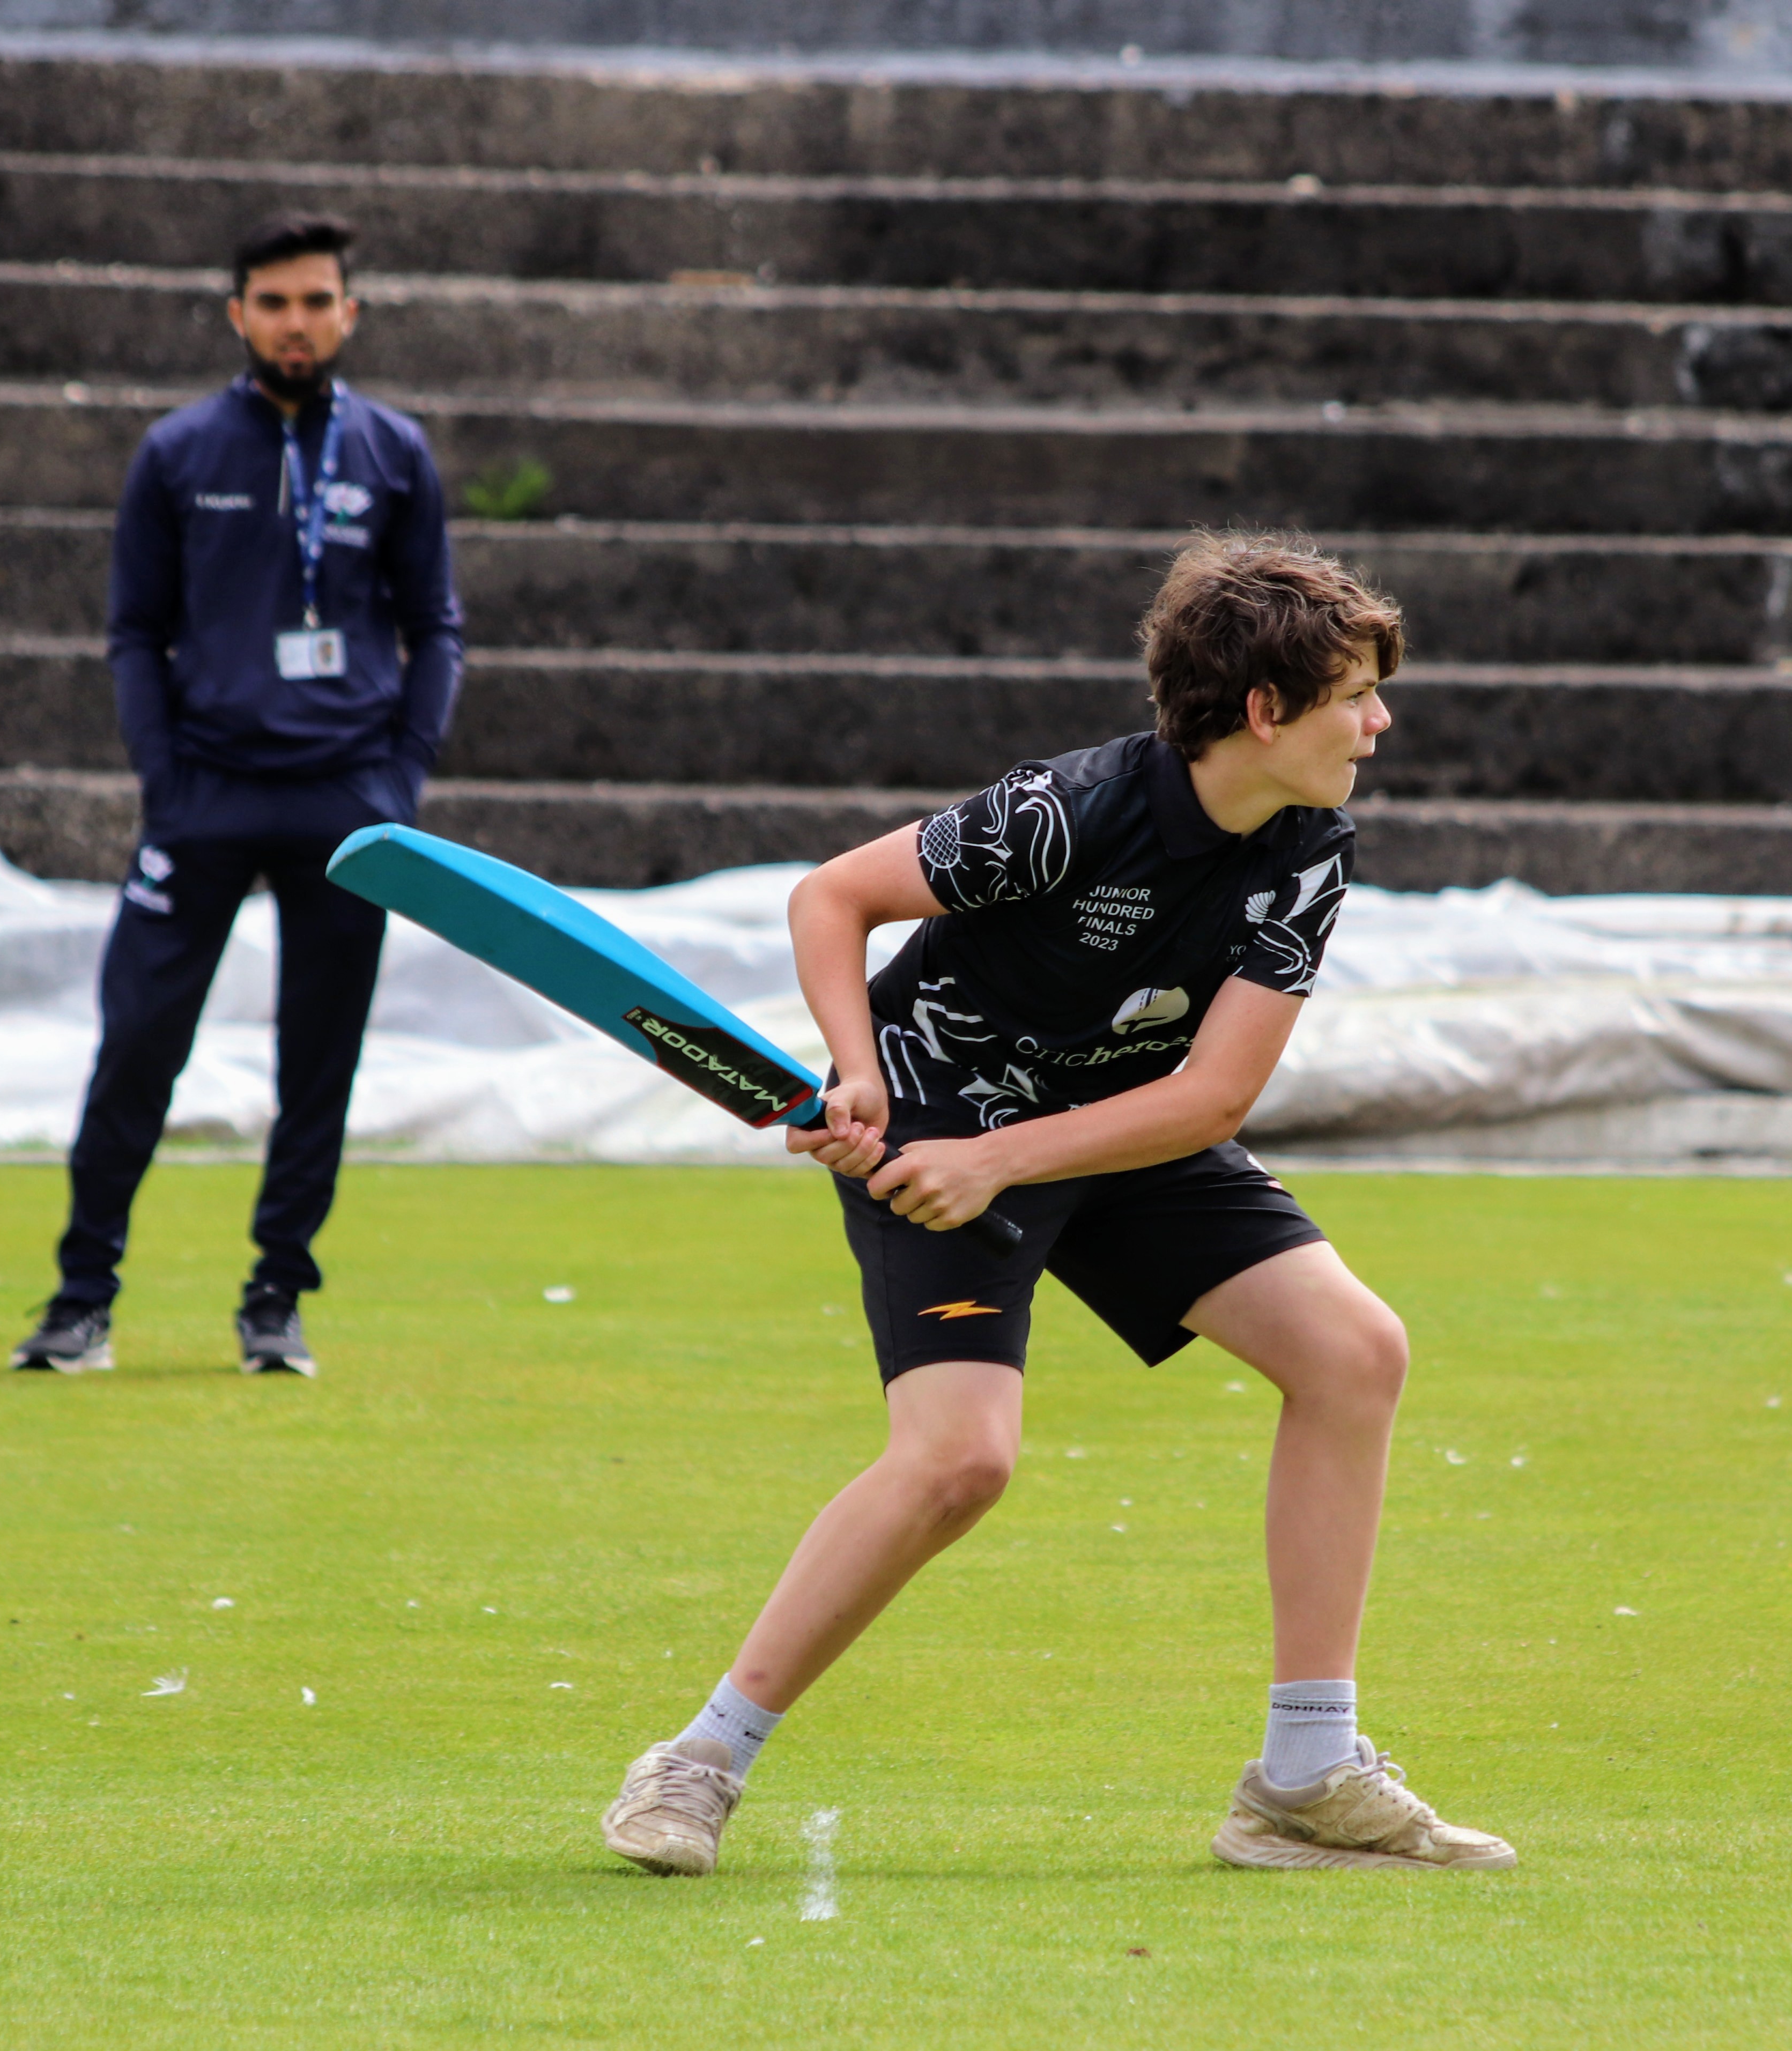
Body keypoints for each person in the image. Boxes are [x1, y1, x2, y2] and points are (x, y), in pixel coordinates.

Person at [600, 535, 1515, 1876]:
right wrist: (857, 1073)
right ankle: (697, 1760)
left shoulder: (1310, 847)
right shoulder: (1065, 811)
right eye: (1353, 695)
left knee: (1352, 1349)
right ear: (1263, 712)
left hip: (1111, 1128)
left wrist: (1006, 1158)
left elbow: (1211, 1097)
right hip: (939, 1114)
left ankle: (1304, 1775)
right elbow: (833, 895)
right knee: (958, 1461)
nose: (1377, 725)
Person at [12, 212, 463, 1379]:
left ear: (348, 312)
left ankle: (276, 1298)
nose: (297, 323)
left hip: (346, 811)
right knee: (136, 1047)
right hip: (202, 799)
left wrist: (396, 782)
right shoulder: (176, 451)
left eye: (317, 301)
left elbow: (435, 628)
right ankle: (80, 1297)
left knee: (319, 1061)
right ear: (237, 314)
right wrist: (165, 782)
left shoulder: (395, 453)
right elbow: (133, 632)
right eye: (274, 302)